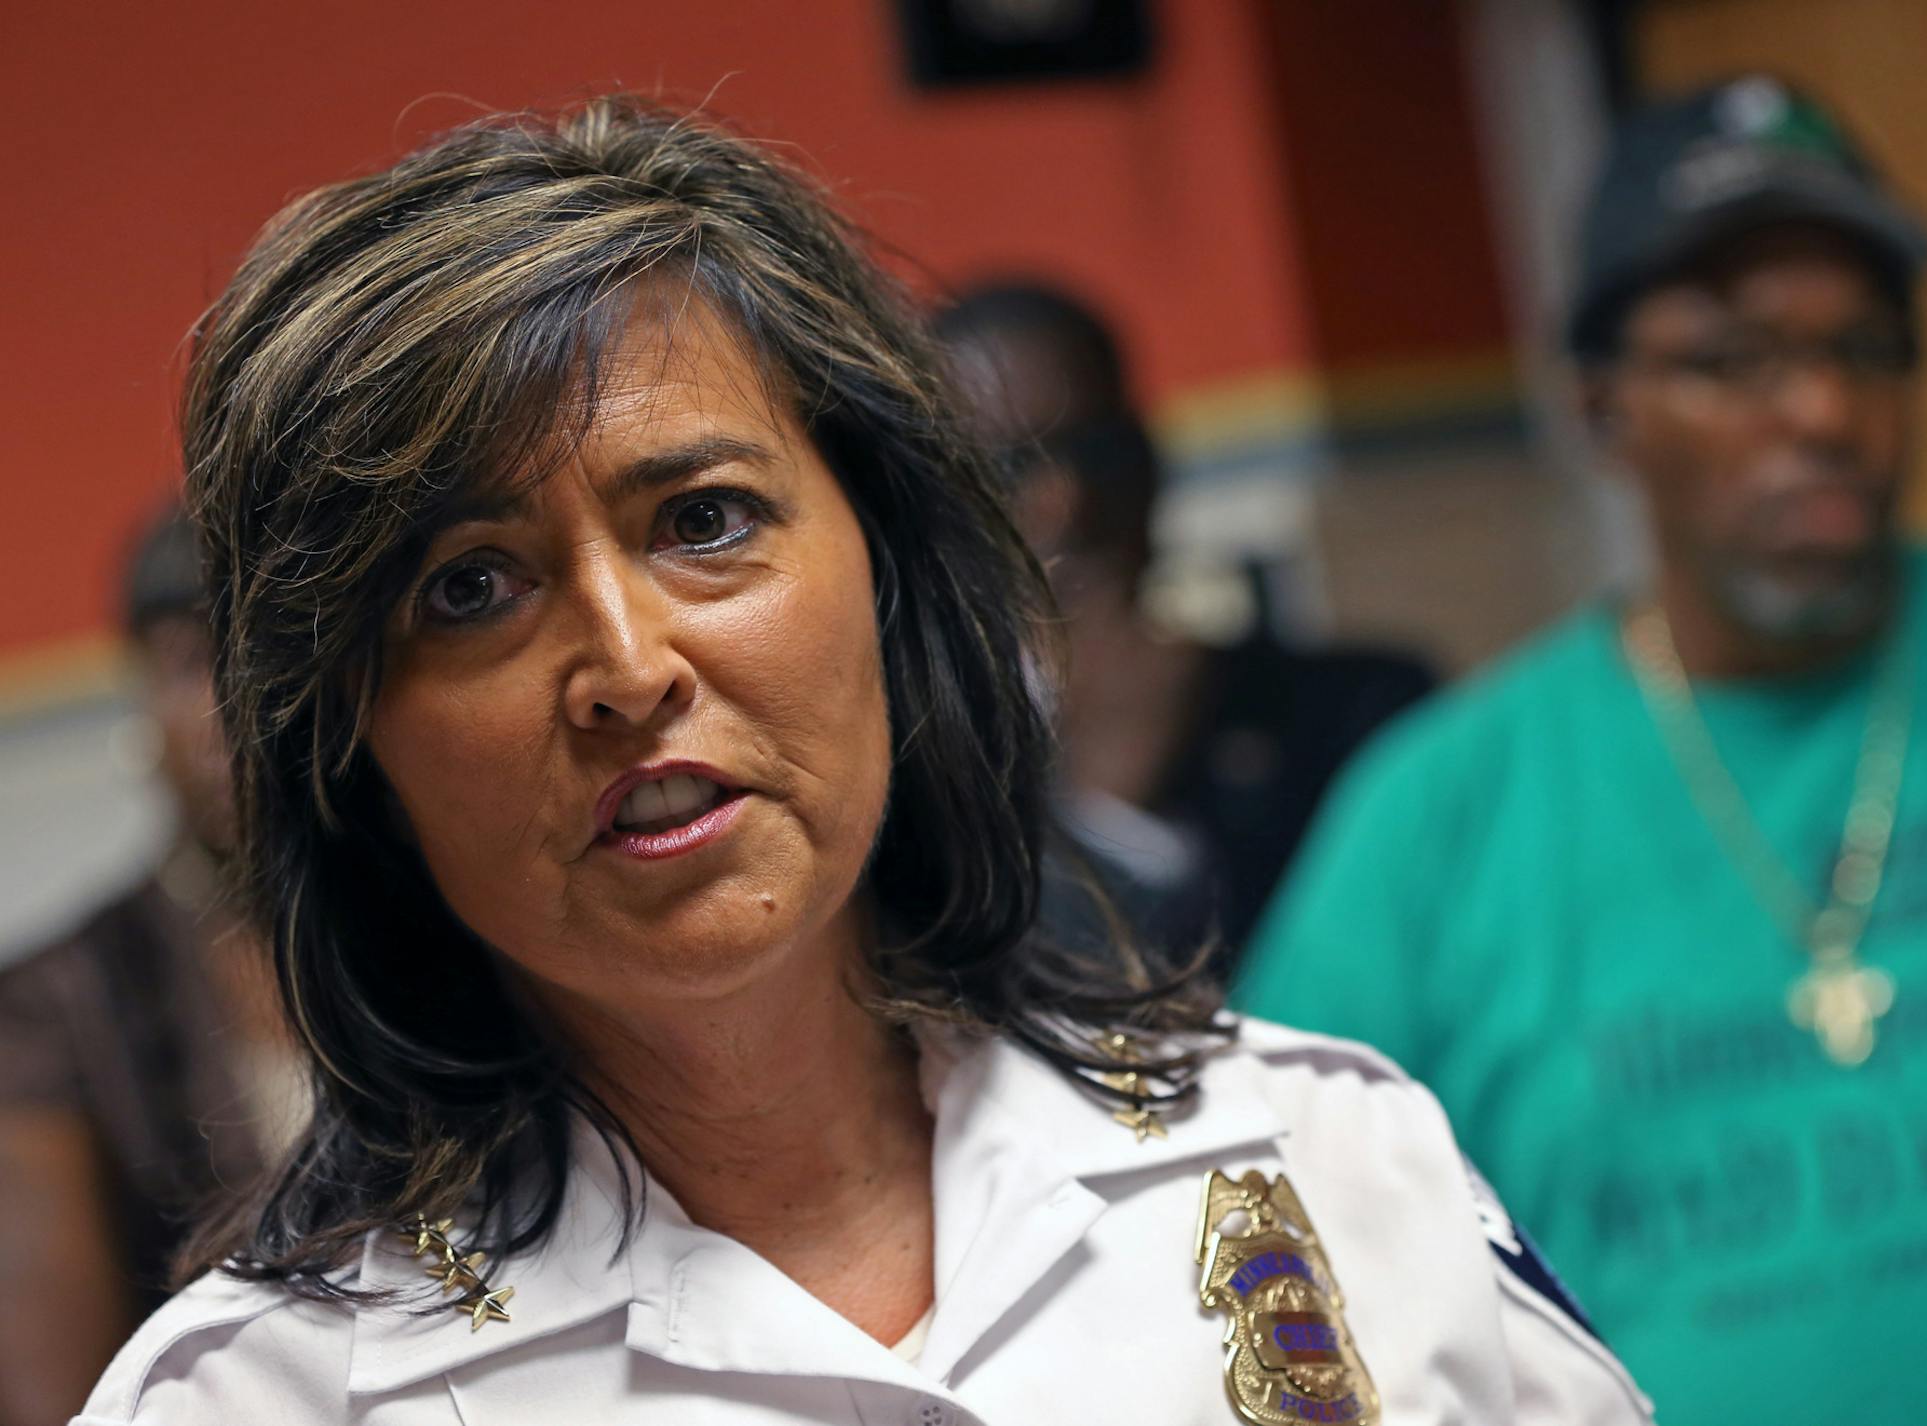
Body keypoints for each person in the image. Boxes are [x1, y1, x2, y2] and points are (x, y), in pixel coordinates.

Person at [72, 98, 1651, 1425]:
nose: (627, 668)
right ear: (356, 744)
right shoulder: (263, 1397)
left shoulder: (1327, 1155)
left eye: (704, 519)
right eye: (469, 587)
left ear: (888, 577)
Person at [1240, 75, 1927, 1426]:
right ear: (1605, 408)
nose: (1824, 413)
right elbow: (1271, 1228)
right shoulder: (1438, 809)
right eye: (1736, 361)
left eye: (1866, 348)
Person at [935, 283, 1437, 961]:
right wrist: (1108, 810)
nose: (1070, 504)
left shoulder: (1362, 715)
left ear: (1151, 460)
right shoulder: (910, 776)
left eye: (1099, 451)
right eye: (1011, 468)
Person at [0, 507, 299, 1426]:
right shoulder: (57, 1002)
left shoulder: (454, 926)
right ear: (142, 701)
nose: (234, 714)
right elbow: (53, 1394)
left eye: (274, 660)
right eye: (191, 665)